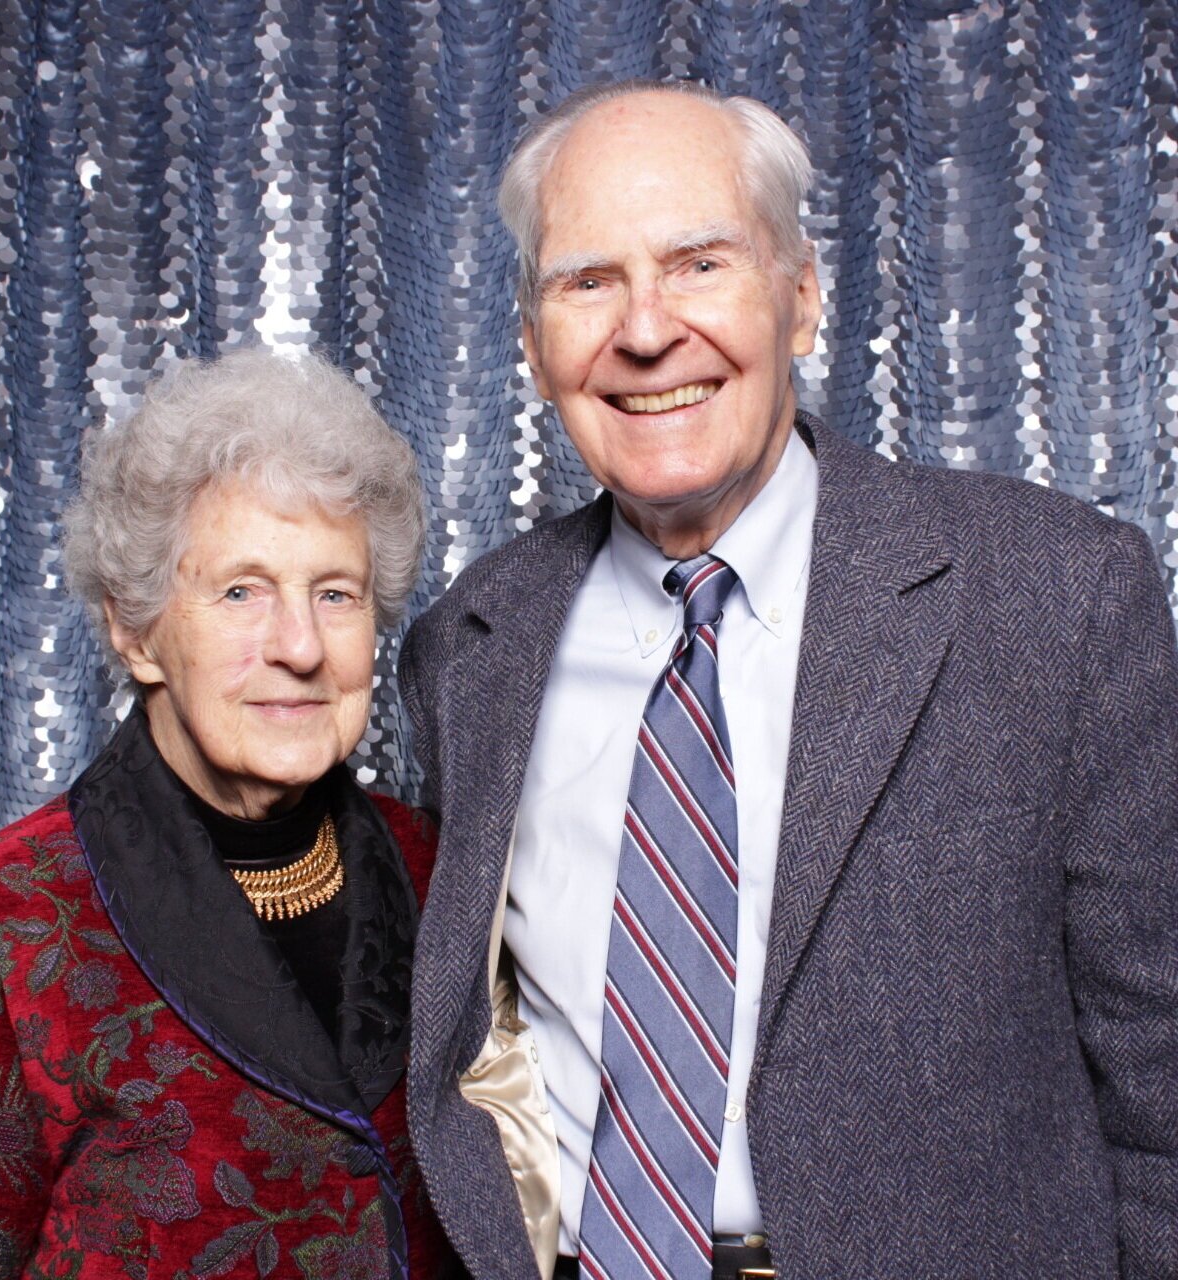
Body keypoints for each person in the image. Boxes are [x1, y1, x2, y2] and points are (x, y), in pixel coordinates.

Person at [399, 80, 1178, 1280]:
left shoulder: (1054, 595)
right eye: (586, 281)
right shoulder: (470, 644)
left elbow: (1160, 1070)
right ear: (529, 340)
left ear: (801, 297)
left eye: (699, 262)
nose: (646, 329)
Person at [0, 349, 455, 1279]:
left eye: (336, 593)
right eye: (241, 591)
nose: (300, 646)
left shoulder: (445, 872)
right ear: (134, 625)